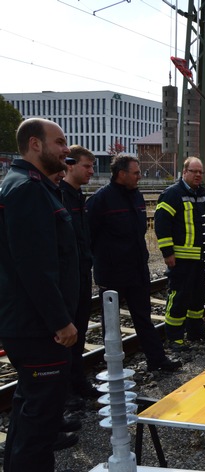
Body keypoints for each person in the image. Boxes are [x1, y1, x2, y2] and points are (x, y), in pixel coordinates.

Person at [0, 118, 80, 470]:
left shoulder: (31, 185)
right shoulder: (28, 190)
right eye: (60, 142)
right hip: (38, 328)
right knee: (41, 422)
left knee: (29, 409)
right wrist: (61, 321)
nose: (66, 150)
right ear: (35, 144)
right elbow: (34, 267)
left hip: (30, 324)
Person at [88, 154, 181, 372]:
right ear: (121, 174)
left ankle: (157, 360)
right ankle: (114, 366)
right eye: (136, 172)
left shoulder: (136, 196)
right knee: (111, 324)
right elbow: (89, 237)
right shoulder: (100, 200)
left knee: (143, 318)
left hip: (137, 270)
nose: (140, 176)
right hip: (112, 273)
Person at [60, 145, 101, 411]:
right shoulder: (60, 195)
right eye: (86, 166)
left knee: (81, 331)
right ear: (70, 165)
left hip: (82, 274)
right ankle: (65, 393)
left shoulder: (78, 196)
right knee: (66, 336)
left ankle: (78, 382)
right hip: (67, 278)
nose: (91, 171)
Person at [155, 157, 205, 351]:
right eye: (194, 171)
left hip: (202, 257)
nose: (198, 175)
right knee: (179, 296)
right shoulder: (172, 194)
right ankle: (174, 336)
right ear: (184, 172)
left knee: (199, 296)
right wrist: (167, 252)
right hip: (181, 258)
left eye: (200, 172)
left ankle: (195, 330)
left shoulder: (204, 194)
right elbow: (162, 225)